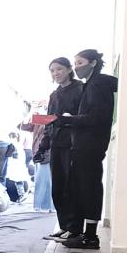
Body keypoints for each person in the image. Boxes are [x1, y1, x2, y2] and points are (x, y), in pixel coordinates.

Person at [59, 49, 118, 250]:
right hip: (85, 144)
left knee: (89, 187)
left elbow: (96, 117)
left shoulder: (98, 84)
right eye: (75, 63)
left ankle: (91, 236)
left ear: (93, 63)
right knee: (82, 187)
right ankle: (86, 233)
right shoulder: (92, 84)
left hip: (90, 145)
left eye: (80, 63)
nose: (77, 67)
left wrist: (68, 119)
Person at [38, 57, 84, 237]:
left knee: (70, 186)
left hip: (73, 144)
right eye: (52, 70)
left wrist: (67, 120)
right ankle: (64, 225)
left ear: (69, 69)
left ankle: (74, 228)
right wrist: (44, 144)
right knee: (57, 186)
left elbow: (83, 116)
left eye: (59, 69)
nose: (56, 73)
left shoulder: (80, 89)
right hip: (56, 144)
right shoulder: (54, 95)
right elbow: (49, 121)